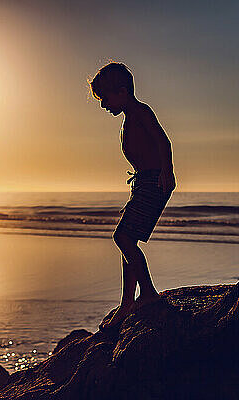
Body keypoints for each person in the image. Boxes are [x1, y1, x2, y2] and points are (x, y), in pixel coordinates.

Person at [89, 62, 176, 330]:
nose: (104, 105)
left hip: (153, 181)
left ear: (122, 91)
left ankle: (147, 294)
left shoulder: (140, 112)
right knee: (127, 240)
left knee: (123, 237)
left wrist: (167, 173)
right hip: (142, 182)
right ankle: (127, 301)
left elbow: (164, 141)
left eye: (105, 98)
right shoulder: (130, 117)